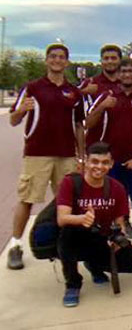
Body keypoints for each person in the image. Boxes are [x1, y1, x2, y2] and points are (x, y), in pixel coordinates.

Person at [7, 43, 85, 271]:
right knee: (27, 198)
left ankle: (63, 245)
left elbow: (79, 125)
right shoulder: (32, 88)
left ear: (67, 62)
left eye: (61, 57)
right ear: (46, 60)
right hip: (37, 153)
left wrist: (82, 156)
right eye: (53, 56)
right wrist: (22, 110)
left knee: (68, 203)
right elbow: (14, 119)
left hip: (66, 155)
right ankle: (16, 245)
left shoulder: (74, 92)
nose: (57, 60)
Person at [55, 143, 132, 307]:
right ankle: (73, 283)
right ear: (86, 162)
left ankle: (94, 265)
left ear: (111, 164)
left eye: (104, 162)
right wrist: (81, 219)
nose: (99, 167)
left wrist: (119, 237)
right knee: (68, 232)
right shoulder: (71, 182)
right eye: (94, 161)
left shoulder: (117, 188)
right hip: (76, 235)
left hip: (101, 237)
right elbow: (62, 218)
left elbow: (120, 222)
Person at [86, 59, 132, 252]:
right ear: (118, 74)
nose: (127, 74)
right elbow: (88, 123)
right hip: (109, 163)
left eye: (131, 71)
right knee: (109, 202)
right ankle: (111, 238)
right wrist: (102, 106)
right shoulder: (106, 95)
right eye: (123, 71)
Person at [79, 44, 122, 109]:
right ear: (101, 61)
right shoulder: (90, 83)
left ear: (120, 60)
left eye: (113, 58)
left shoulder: (127, 84)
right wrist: (83, 91)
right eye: (106, 58)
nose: (109, 61)